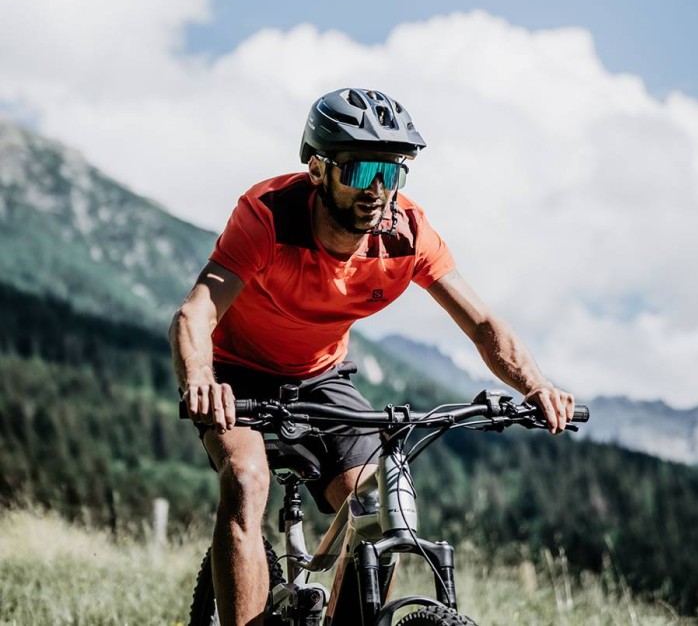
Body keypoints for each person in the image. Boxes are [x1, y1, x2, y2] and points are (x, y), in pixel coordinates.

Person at [170, 87, 574, 626]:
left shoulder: (408, 234)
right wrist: (200, 378)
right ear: (318, 169)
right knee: (245, 479)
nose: (379, 189)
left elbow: (482, 325)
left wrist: (535, 384)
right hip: (236, 374)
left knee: (379, 507)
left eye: (392, 172)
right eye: (361, 171)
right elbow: (195, 312)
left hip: (321, 376)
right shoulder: (268, 216)